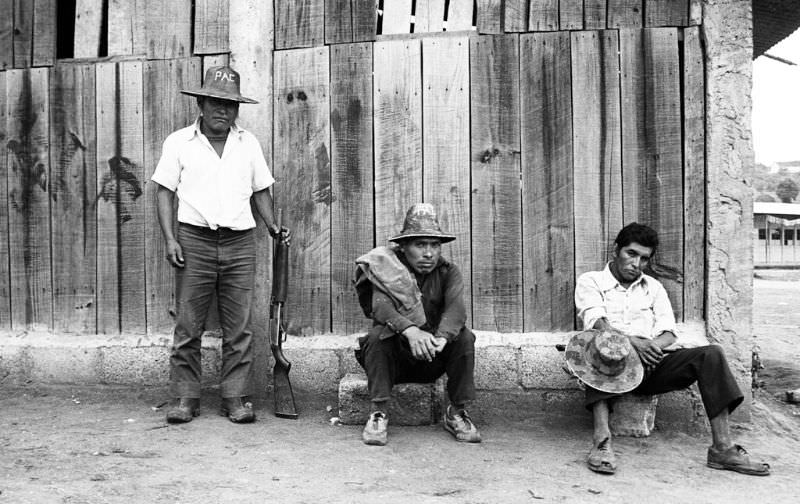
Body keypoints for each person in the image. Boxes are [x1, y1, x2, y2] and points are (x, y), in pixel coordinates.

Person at [569, 222, 770, 476]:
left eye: (644, 258)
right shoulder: (591, 281)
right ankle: (602, 441)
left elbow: (668, 332)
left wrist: (652, 346)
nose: (637, 264)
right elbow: (597, 322)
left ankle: (722, 447)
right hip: (610, 365)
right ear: (616, 250)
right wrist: (632, 343)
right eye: (631, 254)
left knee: (711, 354)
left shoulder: (653, 287)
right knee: (598, 349)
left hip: (650, 365)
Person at [151, 66, 290, 424]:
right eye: (215, 102)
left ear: (237, 109)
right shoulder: (178, 142)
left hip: (240, 241)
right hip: (193, 239)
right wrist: (170, 239)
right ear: (201, 103)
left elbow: (261, 189)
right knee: (188, 323)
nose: (222, 111)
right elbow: (164, 192)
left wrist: (273, 226)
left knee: (238, 325)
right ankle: (185, 396)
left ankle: (235, 397)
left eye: (230, 105)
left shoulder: (249, 143)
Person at [354, 203, 480, 446]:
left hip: (434, 356)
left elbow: (457, 310)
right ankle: (378, 412)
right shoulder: (387, 268)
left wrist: (442, 338)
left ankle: (456, 413)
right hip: (397, 360)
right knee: (378, 337)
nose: (429, 253)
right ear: (403, 247)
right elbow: (380, 307)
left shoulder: (448, 272)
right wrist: (410, 331)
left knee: (465, 337)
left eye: (434, 245)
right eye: (420, 245)